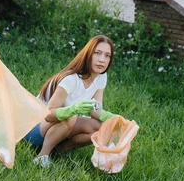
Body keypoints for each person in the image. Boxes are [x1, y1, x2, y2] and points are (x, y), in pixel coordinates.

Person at [24, 35, 116, 168]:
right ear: (88, 54)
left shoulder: (101, 77)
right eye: (97, 53)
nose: (102, 60)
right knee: (71, 116)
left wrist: (111, 118)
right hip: (32, 129)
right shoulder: (71, 79)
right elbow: (48, 115)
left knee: (101, 128)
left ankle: (60, 151)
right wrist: (73, 110)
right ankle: (42, 156)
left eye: (107, 55)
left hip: (56, 128)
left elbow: (96, 109)